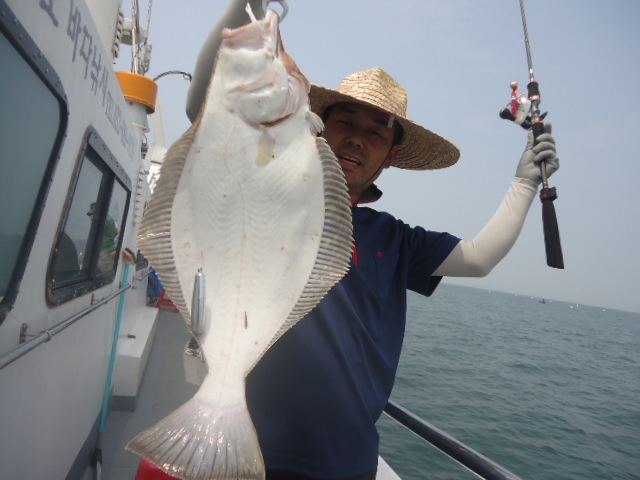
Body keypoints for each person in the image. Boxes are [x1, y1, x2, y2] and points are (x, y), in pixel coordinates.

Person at [186, 3, 559, 479]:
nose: (357, 140)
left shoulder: (396, 240)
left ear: (391, 157)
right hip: (246, 455)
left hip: (350, 466)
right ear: (320, 125)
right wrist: (247, 7)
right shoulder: (263, 191)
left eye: (375, 133)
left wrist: (525, 182)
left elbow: (479, 258)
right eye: (346, 122)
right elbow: (201, 108)